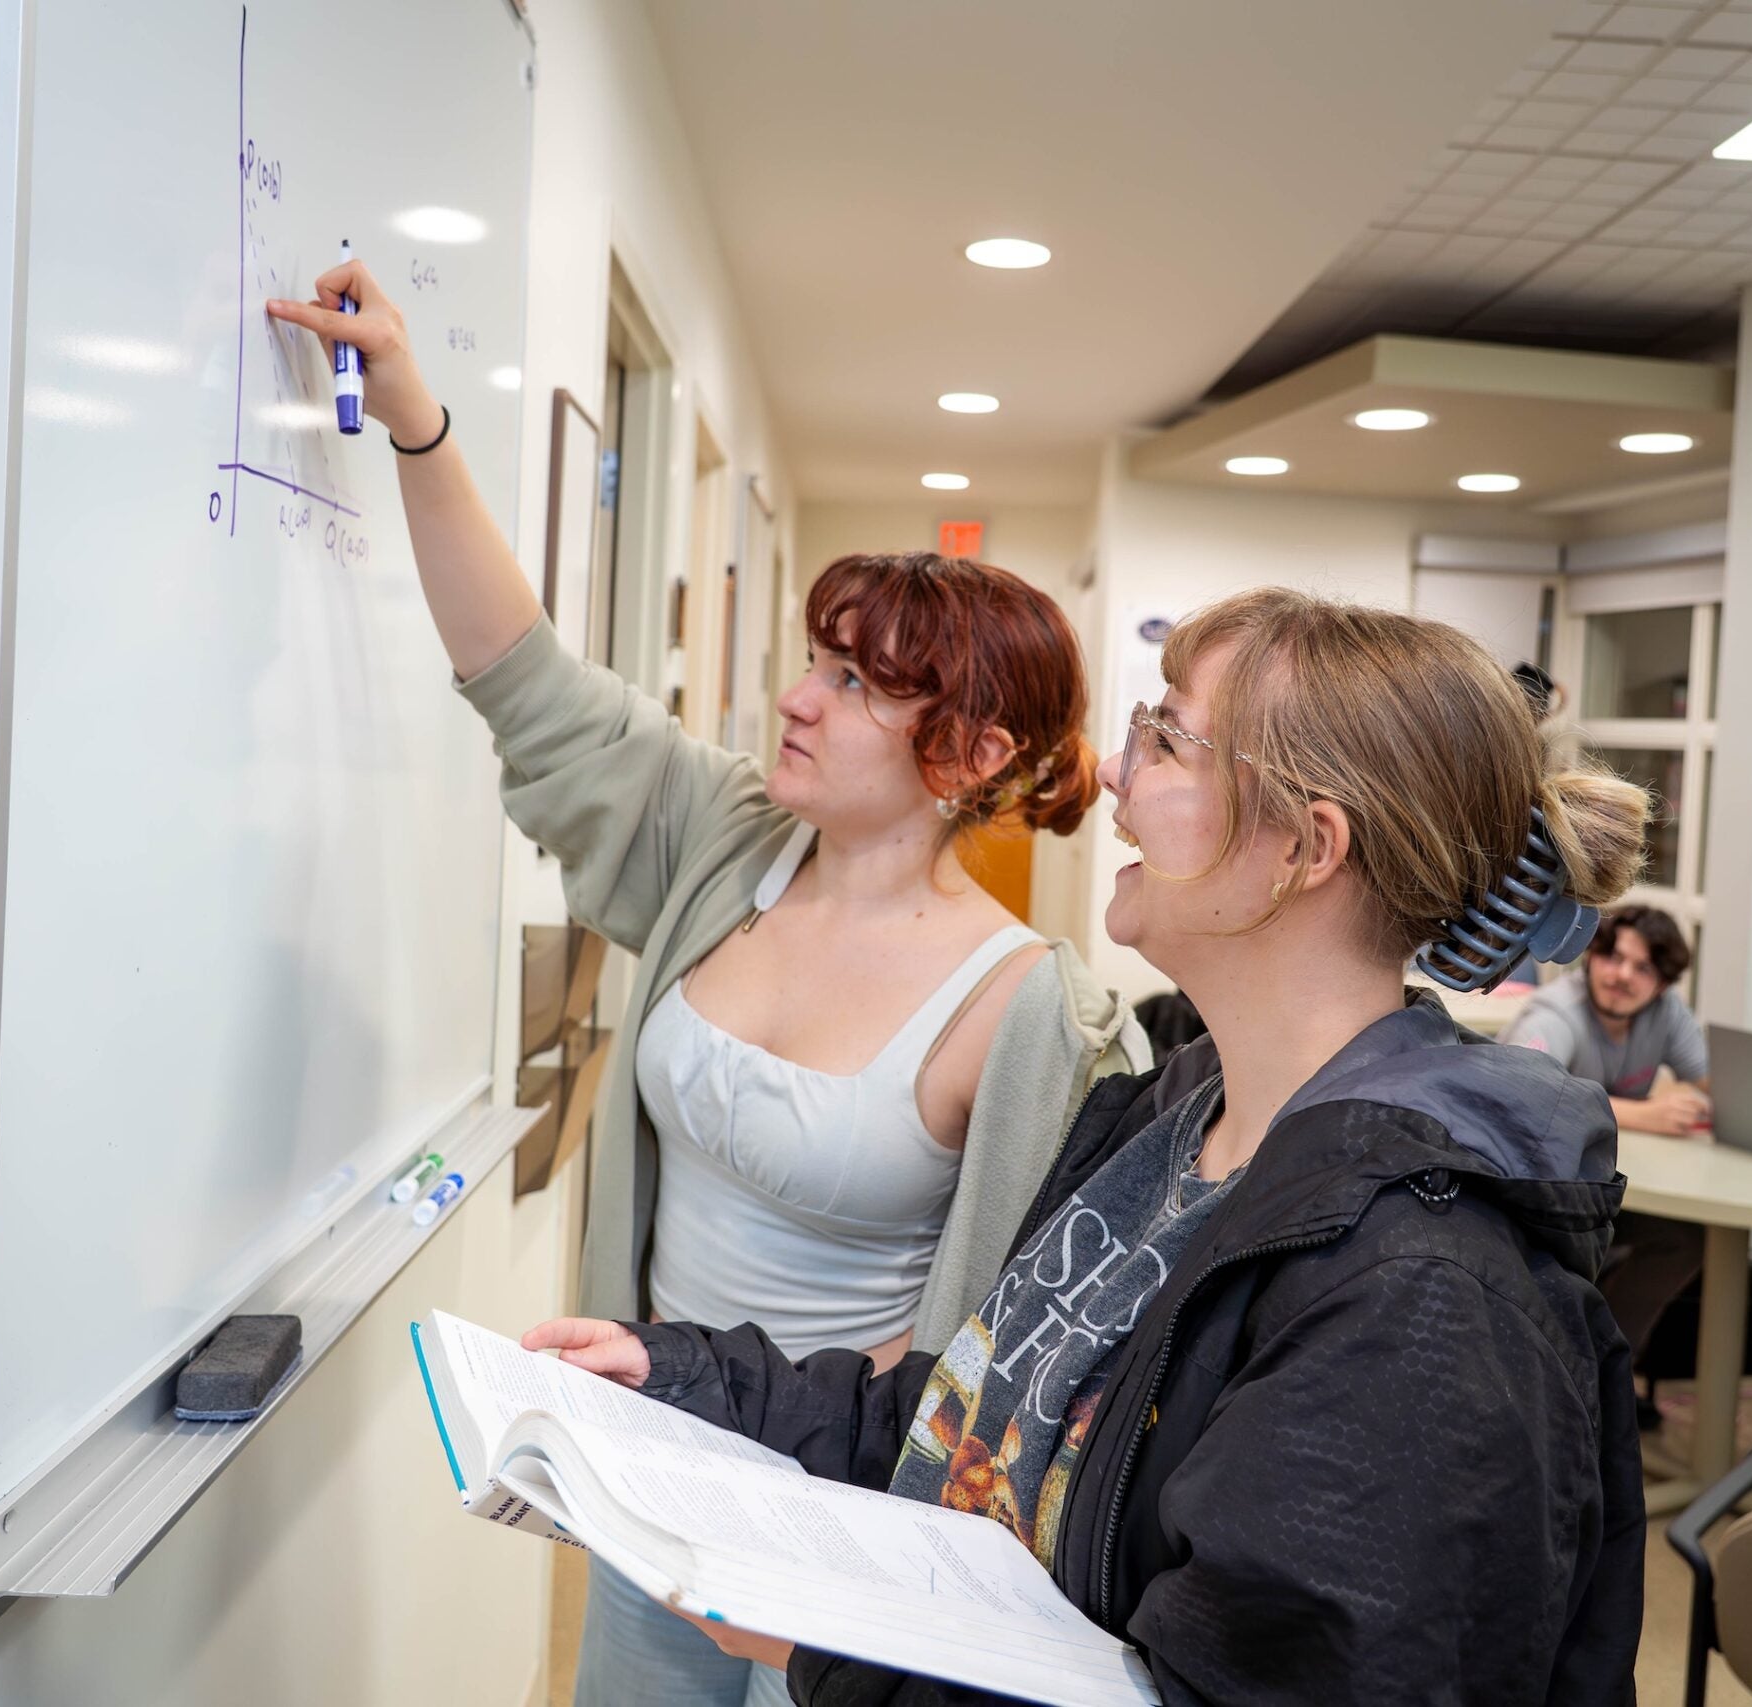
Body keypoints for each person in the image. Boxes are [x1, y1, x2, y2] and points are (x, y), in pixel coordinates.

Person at [268, 263, 1148, 1707]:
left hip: (847, 1526)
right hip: (648, 1463)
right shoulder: (723, 836)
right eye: (816, 662)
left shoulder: (1032, 1008)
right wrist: (417, 424)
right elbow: (517, 667)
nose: (799, 696)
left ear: (976, 754)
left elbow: (1023, 1342)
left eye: (860, 684)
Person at [524, 588, 1654, 1704]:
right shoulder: (1169, 1127)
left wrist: (838, 1652)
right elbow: (972, 1426)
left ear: (1303, 849)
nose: (1111, 771)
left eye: (1164, 738)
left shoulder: (1420, 1294)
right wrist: (680, 1377)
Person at [1500, 906, 1712, 1384]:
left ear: (1663, 984)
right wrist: (1645, 1114)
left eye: (1643, 968)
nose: (1622, 976)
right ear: (1590, 956)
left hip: (1611, 1193)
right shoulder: (1554, 1014)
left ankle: (1605, 1369)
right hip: (1546, 1204)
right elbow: (1521, 1098)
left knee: (1684, 1241)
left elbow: (1710, 1081)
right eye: (1612, 957)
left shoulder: (1665, 1014)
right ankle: (1560, 1373)